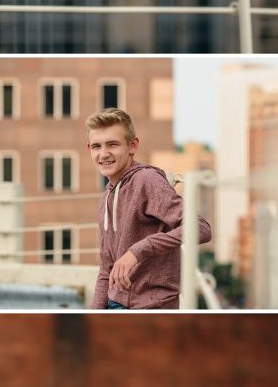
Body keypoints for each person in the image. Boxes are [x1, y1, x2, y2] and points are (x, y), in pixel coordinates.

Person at [86, 108, 212, 310]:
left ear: (132, 146)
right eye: (96, 146)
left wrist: (137, 251)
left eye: (112, 144)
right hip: (114, 305)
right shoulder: (106, 197)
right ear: (89, 150)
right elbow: (106, 268)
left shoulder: (147, 181)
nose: (104, 153)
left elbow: (202, 228)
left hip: (152, 308)